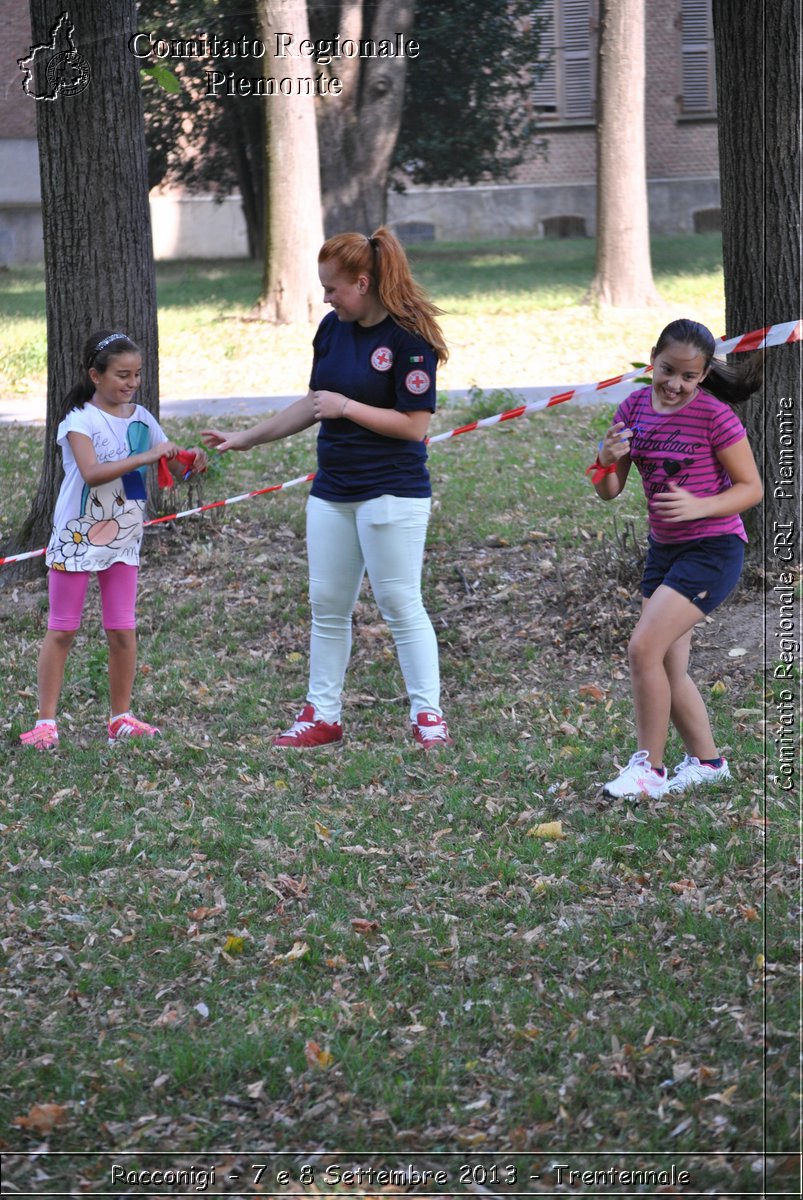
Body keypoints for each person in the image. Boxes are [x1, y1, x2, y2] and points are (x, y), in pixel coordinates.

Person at [202, 226, 452, 751]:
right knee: (328, 604)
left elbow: (414, 426)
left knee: (399, 602)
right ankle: (323, 714)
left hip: (393, 491)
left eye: (333, 288)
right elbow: (315, 400)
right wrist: (246, 438)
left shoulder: (410, 340)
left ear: (363, 283)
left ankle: (428, 717)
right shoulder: (332, 329)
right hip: (333, 490)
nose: (326, 297)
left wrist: (348, 408)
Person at [587, 318, 763, 798]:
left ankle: (650, 770)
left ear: (704, 375)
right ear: (653, 360)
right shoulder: (632, 408)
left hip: (713, 548)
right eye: (668, 370)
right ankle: (708, 764)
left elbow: (752, 488)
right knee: (665, 662)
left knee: (643, 648)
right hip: (665, 550)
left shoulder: (714, 416)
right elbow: (609, 490)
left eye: (690, 376)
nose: (676, 384)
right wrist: (603, 457)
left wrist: (700, 505)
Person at [20, 330, 208, 751]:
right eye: (122, 374)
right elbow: (91, 472)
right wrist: (143, 457)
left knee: (123, 630)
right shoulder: (78, 420)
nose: (131, 383)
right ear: (95, 375)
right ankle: (46, 722)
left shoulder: (142, 419)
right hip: (76, 538)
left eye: (137, 375)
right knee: (63, 630)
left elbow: (176, 471)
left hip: (124, 540)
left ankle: (120, 718)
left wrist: (193, 462)